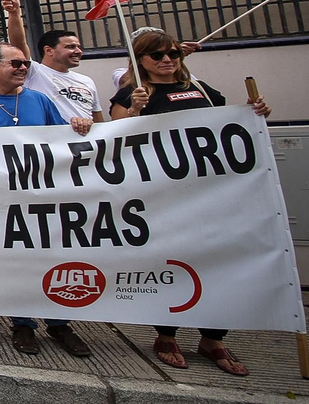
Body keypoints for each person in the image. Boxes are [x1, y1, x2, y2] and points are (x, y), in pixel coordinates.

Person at [109, 29, 271, 377]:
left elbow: (229, 125)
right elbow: (112, 137)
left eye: (173, 54)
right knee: (171, 263)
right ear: (141, 60)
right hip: (163, 197)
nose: (167, 60)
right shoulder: (133, 93)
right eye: (158, 55)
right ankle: (166, 334)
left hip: (212, 196)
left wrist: (255, 111)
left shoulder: (202, 90)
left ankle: (214, 339)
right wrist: (134, 110)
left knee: (220, 262)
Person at [0, 41, 94, 357]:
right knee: (12, 262)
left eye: (25, 63)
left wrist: (80, 126)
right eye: (15, 63)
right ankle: (22, 322)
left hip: (40, 199)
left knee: (47, 259)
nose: (23, 68)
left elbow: (62, 139)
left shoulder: (39, 100)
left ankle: (59, 323)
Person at [1, 0, 103, 123]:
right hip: (51, 140)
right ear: (48, 50)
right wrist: (14, 13)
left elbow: (99, 122)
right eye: (70, 47)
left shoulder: (87, 81)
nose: (78, 51)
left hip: (86, 142)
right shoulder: (34, 73)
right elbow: (19, 44)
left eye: (78, 47)